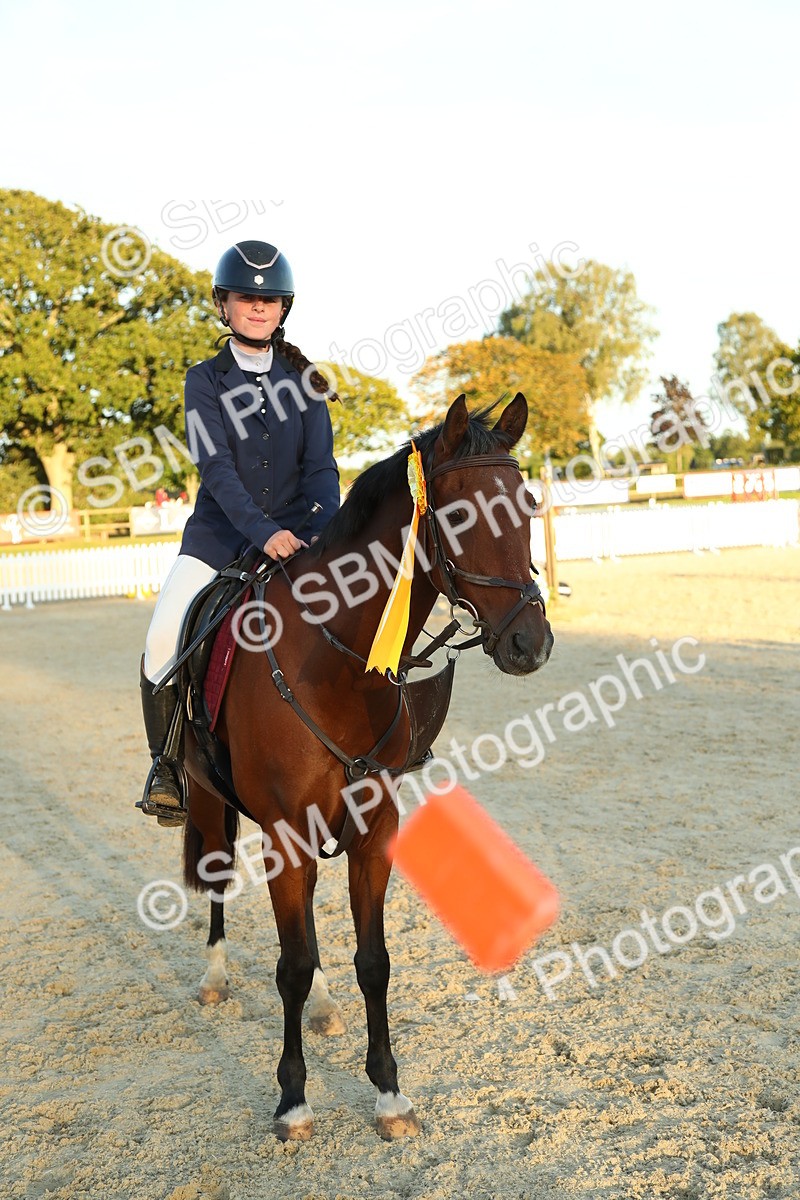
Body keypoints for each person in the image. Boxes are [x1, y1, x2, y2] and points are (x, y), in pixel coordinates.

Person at [139, 240, 340, 826]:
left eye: (269, 299)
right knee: (160, 640)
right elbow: (216, 469)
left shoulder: (308, 380)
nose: (258, 307)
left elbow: (322, 468)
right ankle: (168, 768)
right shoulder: (203, 380)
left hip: (302, 539)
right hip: (219, 540)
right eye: (246, 297)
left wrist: (323, 533)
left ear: (284, 308)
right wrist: (264, 531)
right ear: (223, 305)